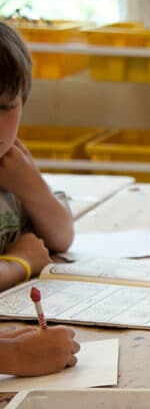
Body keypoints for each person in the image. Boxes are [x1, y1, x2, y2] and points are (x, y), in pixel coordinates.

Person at [0, 22, 79, 376]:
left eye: (4, 107)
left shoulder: (9, 166)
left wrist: (31, 186)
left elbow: (61, 237)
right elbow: (33, 253)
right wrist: (20, 264)